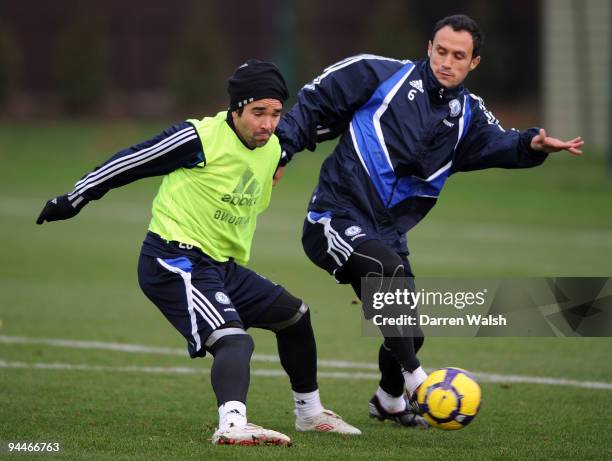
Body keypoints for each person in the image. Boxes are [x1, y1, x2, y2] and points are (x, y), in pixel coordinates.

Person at [275, 14, 583, 427]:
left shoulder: (468, 115)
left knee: (409, 332)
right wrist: (281, 150)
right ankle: (419, 384)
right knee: (388, 272)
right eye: (441, 51)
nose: (447, 61)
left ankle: (389, 400)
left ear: (474, 63)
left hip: (388, 233)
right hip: (334, 216)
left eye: (459, 56)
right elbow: (313, 101)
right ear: (429, 48)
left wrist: (531, 144)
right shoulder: (379, 74)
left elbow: (499, 143)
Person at [36, 59, 361, 446]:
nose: (268, 123)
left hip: (221, 266)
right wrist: (75, 198)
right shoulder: (199, 138)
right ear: (236, 108)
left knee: (294, 316)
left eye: (276, 113)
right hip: (174, 259)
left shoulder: (272, 147)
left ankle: (309, 413)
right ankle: (232, 424)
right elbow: (132, 161)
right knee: (234, 340)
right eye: (258, 112)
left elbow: (310, 133)